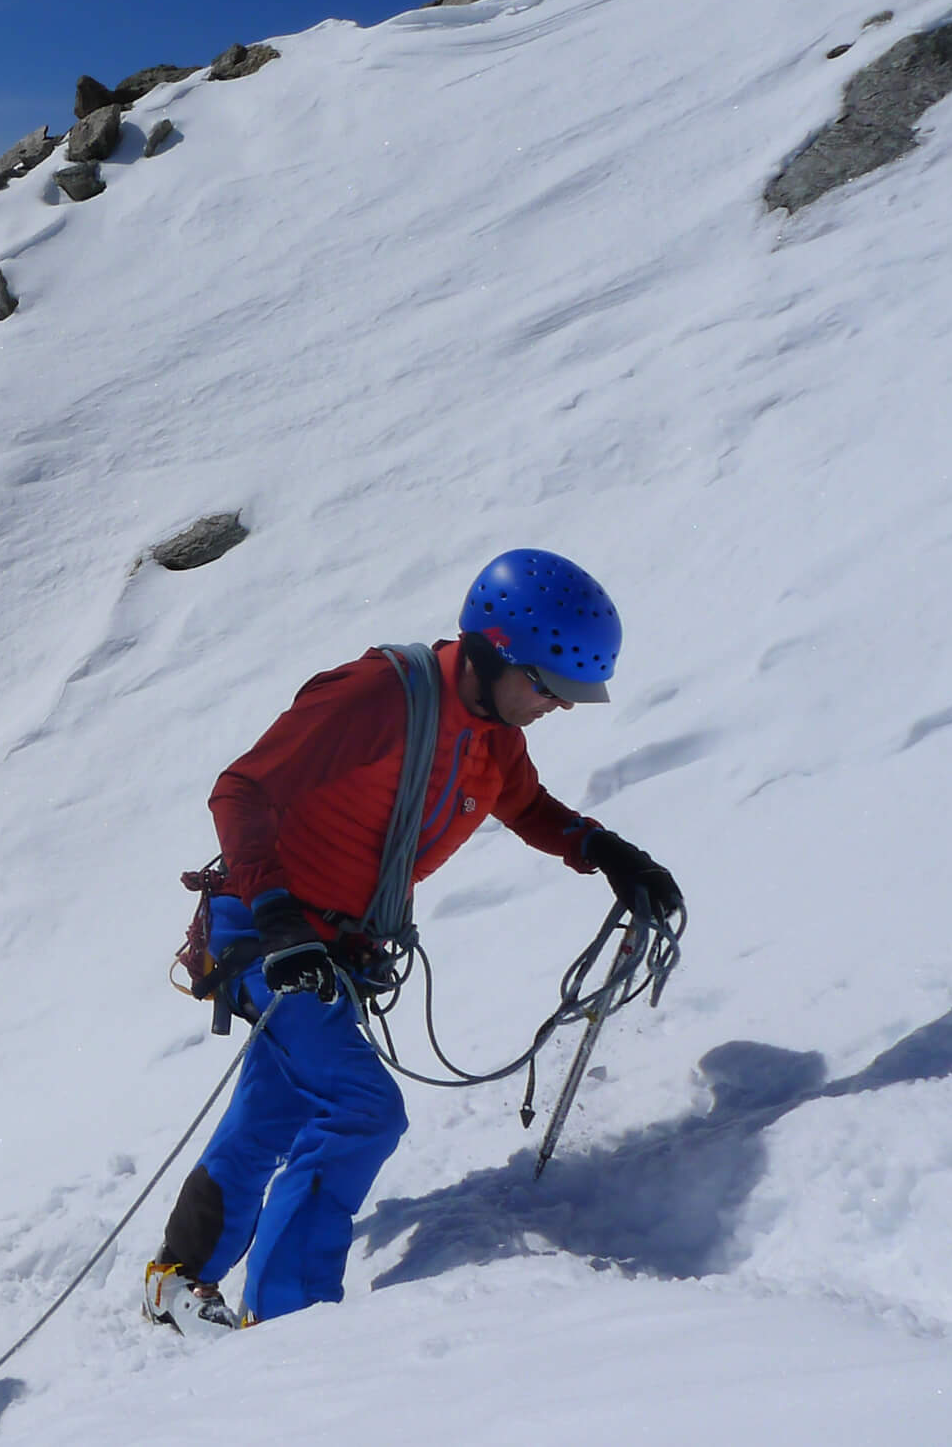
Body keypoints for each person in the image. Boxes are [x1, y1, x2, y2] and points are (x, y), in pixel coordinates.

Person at [144, 549, 683, 1337]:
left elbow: (524, 802)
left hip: (331, 953)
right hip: (267, 933)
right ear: (496, 650)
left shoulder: (492, 732)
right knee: (362, 1109)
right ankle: (293, 1335)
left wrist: (604, 850)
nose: (558, 707)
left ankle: (178, 1283)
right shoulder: (376, 698)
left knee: (278, 1105)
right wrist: (281, 917)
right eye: (547, 687)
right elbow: (243, 789)